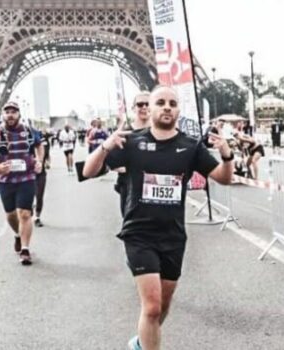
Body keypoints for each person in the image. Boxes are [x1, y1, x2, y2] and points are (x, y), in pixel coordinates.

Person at [83, 85, 234, 350]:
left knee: (162, 307)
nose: (166, 107)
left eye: (172, 103)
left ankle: (141, 343)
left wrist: (226, 154)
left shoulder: (190, 147)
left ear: (178, 110)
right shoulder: (131, 142)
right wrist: (105, 147)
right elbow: (88, 170)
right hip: (139, 233)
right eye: (160, 102)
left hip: (173, 235)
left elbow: (224, 178)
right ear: (149, 109)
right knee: (151, 307)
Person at [0, 101, 44, 265]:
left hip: (27, 178)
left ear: (19, 114)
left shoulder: (29, 131)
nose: (10, 114)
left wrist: (39, 161)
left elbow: (39, 145)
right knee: (10, 214)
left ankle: (25, 249)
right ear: (3, 115)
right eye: (7, 111)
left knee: (25, 213)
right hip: (6, 180)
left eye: (14, 111)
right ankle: (17, 235)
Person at [115, 91, 151, 216]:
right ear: (133, 108)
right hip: (130, 188)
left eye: (148, 104)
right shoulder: (125, 132)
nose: (145, 107)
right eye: (140, 104)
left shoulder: (160, 131)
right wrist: (129, 168)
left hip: (154, 188)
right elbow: (111, 162)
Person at [35, 128, 51, 227]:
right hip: (28, 173)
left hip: (41, 172)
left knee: (39, 195)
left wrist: (47, 161)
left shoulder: (44, 143)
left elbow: (47, 154)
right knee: (30, 195)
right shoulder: (25, 145)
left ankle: (37, 217)